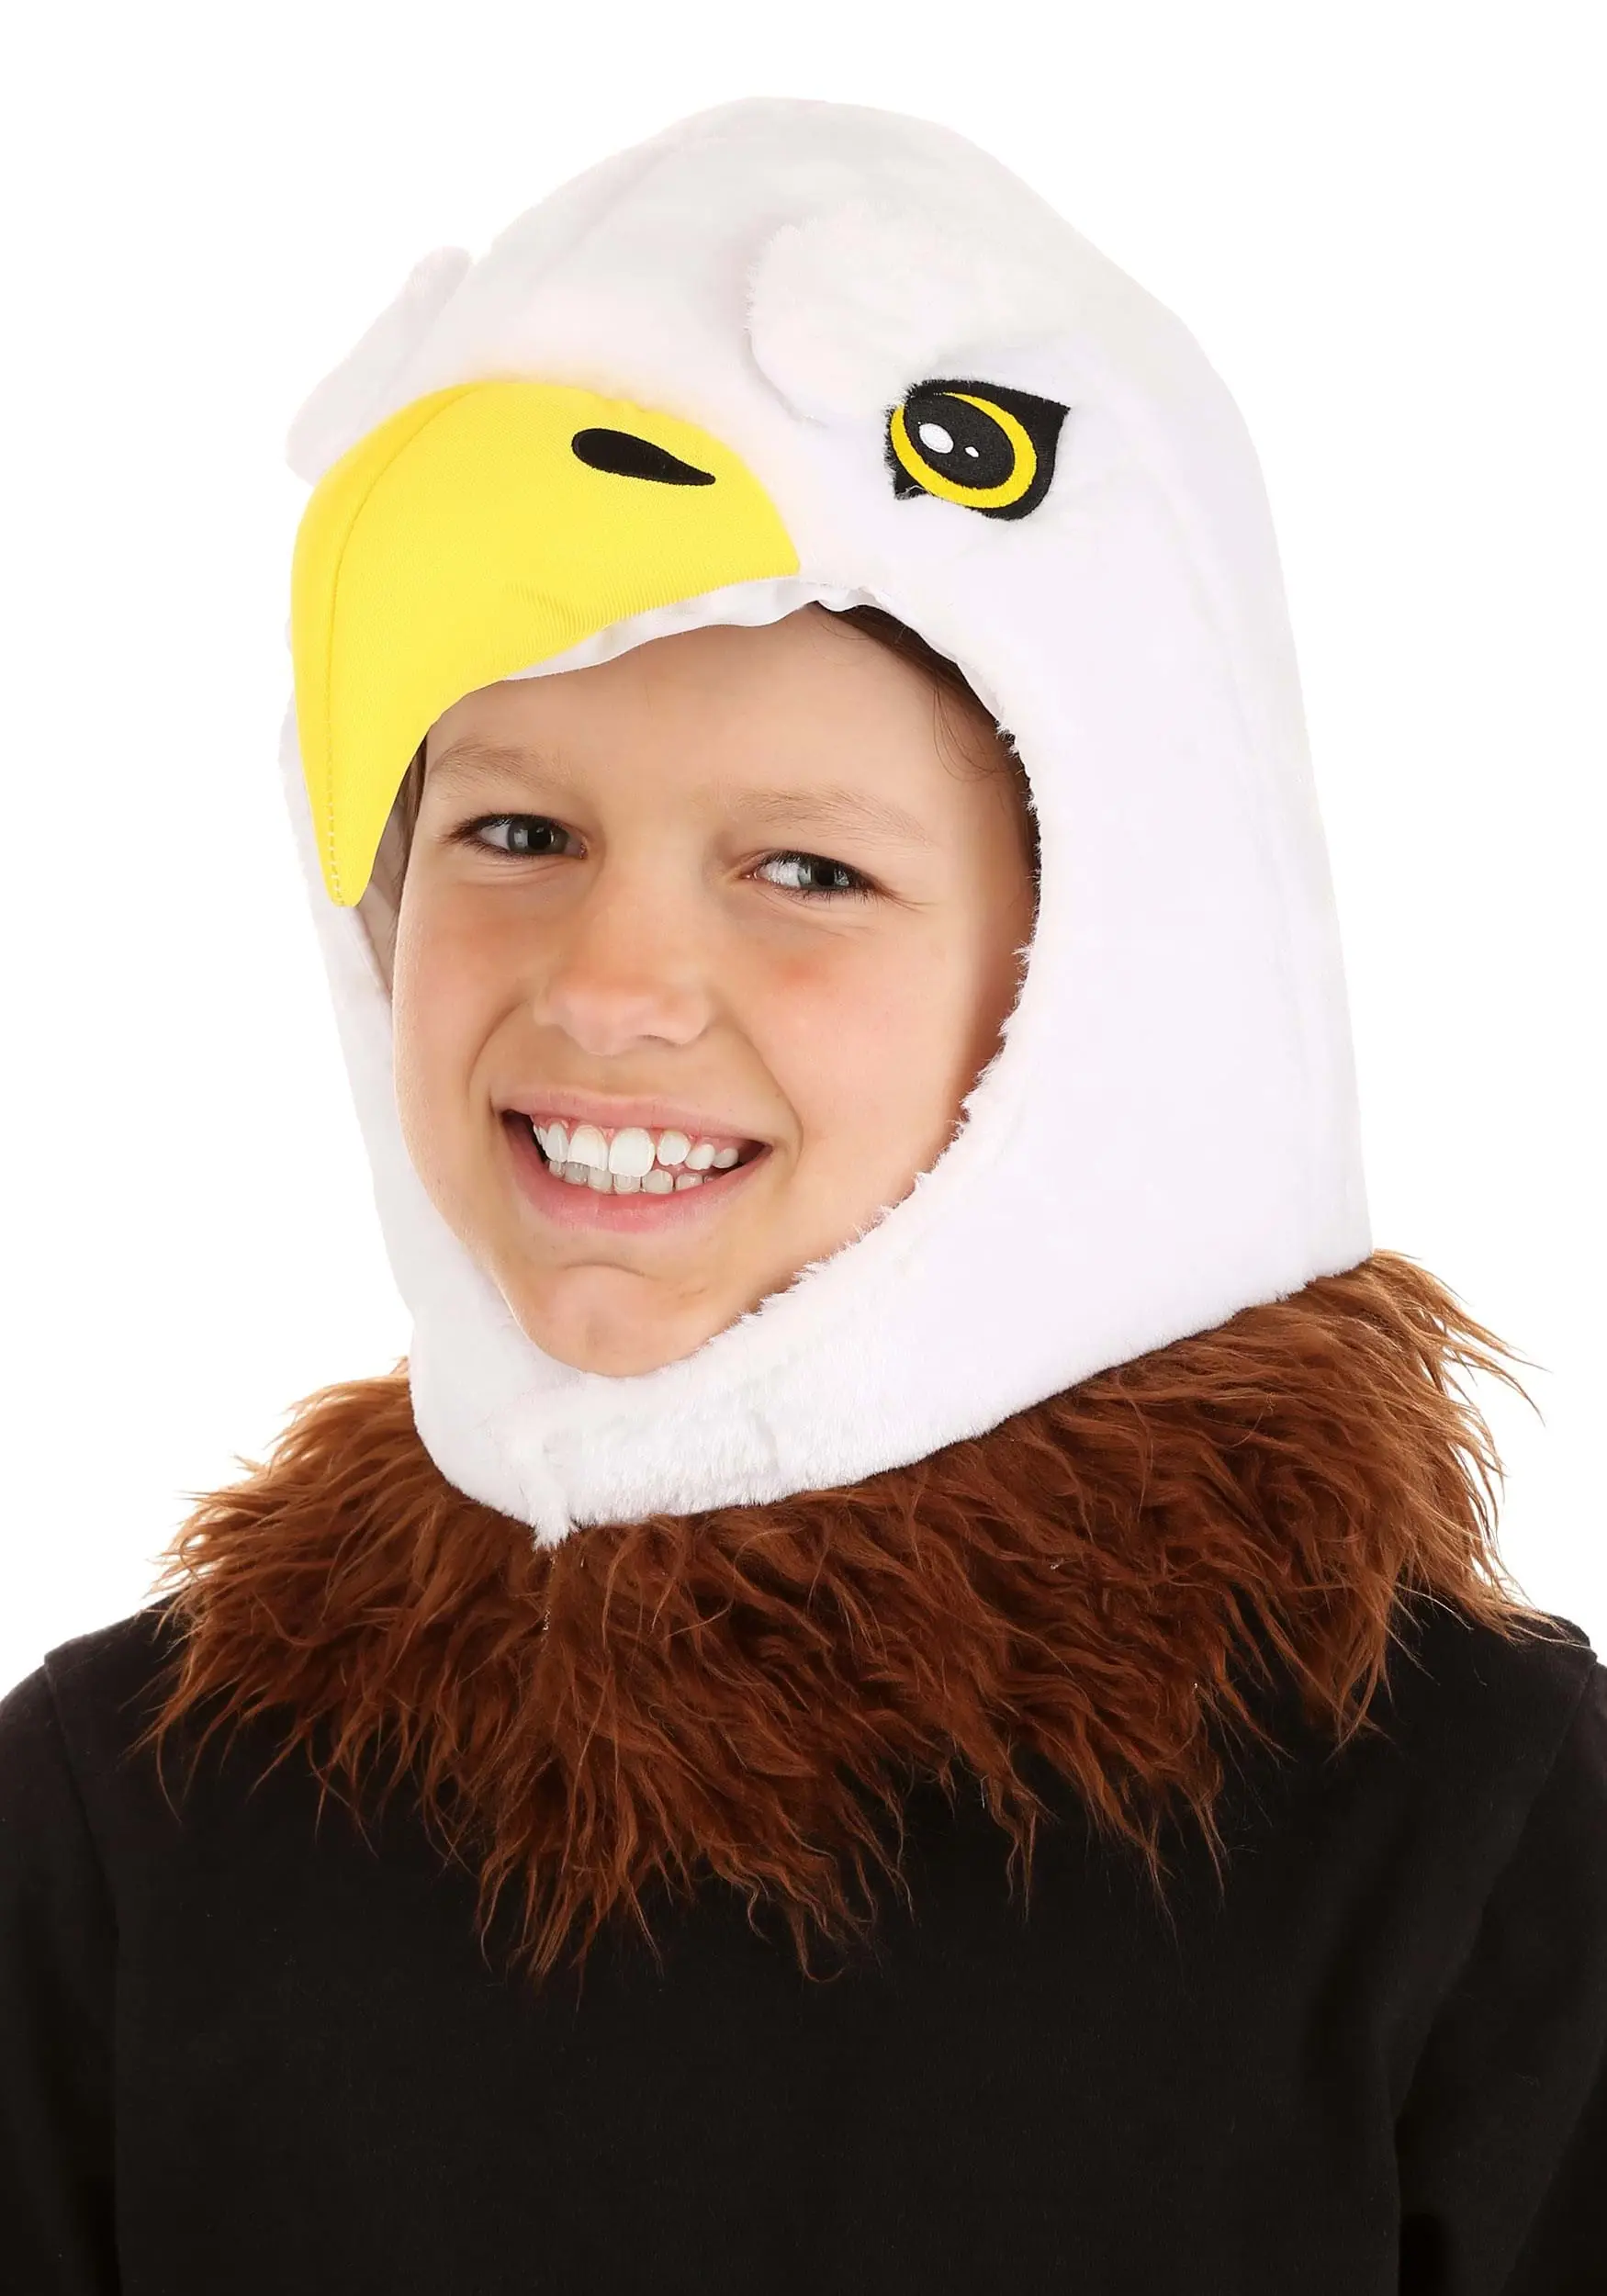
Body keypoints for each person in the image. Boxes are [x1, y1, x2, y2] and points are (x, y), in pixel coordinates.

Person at [2, 96, 1603, 2295]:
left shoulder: (1453, 1831)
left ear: (1088, 972)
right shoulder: (132, 1823)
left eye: (804, 867)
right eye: (512, 832)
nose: (611, 986)